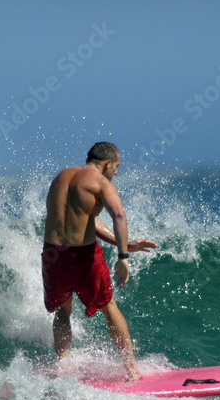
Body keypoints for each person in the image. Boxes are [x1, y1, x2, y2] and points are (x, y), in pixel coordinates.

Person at [41, 142, 157, 381]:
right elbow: (119, 215)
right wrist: (123, 257)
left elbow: (83, 219)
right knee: (109, 306)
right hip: (82, 257)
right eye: (116, 166)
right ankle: (132, 370)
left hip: (52, 255)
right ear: (106, 163)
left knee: (63, 309)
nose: (116, 172)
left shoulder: (61, 177)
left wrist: (123, 244)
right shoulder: (101, 183)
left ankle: (62, 367)